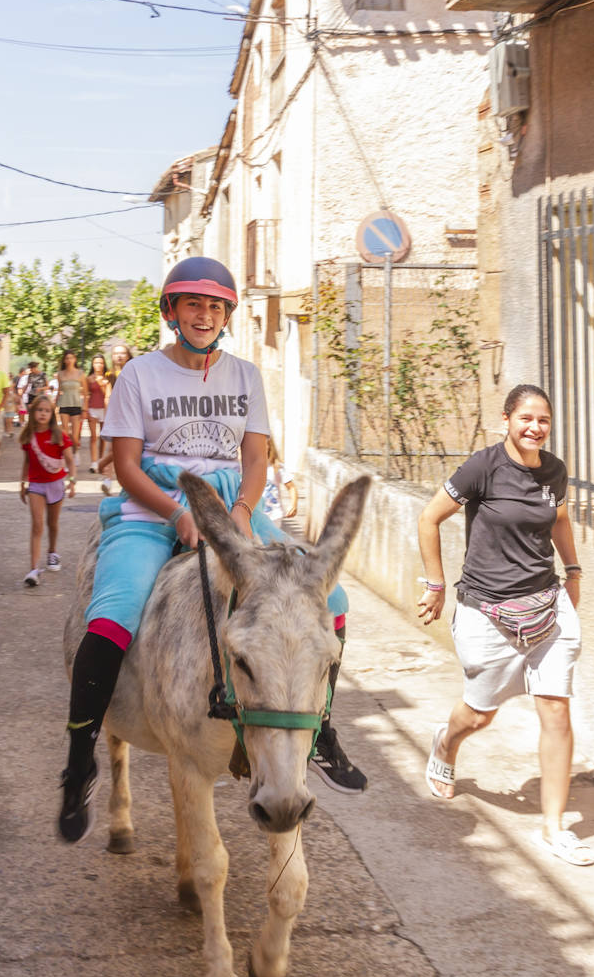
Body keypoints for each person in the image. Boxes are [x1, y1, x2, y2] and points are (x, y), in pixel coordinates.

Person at [58, 257, 365, 844]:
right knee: (110, 619)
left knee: (336, 600)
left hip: (231, 510)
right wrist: (178, 513)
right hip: (152, 508)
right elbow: (124, 466)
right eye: (193, 304)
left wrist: (240, 518)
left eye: (216, 306)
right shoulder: (139, 377)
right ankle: (79, 758)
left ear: (226, 316)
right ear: (171, 311)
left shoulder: (245, 375)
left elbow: (255, 460)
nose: (205, 314)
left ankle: (321, 726)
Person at [417, 383, 594, 867]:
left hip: (546, 604)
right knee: (479, 714)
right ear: (507, 420)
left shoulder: (554, 471)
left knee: (555, 709)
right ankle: (446, 742)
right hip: (486, 610)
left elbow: (558, 520)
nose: (535, 427)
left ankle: (554, 828)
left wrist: (573, 570)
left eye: (543, 420)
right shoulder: (484, 466)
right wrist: (434, 583)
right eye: (526, 419)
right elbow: (429, 518)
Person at [20, 394, 77, 584]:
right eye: (39, 410)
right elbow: (27, 460)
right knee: (37, 525)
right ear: (33, 412)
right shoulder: (28, 436)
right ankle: (33, 569)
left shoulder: (59, 435)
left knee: (52, 524)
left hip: (56, 484)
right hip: (36, 485)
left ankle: (52, 552)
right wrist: (22, 483)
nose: (42, 414)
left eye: (46, 411)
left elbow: (69, 459)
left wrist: (72, 480)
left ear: (52, 414)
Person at [98, 343, 134, 494]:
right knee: (113, 447)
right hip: (116, 414)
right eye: (115, 353)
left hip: (131, 413)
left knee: (129, 448)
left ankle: (126, 481)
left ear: (128, 355)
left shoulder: (134, 371)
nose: (119, 356)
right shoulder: (109, 375)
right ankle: (107, 479)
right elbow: (107, 396)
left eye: (122, 353)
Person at [56, 349, 89, 456]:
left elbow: (85, 393)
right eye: (67, 358)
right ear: (64, 360)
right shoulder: (60, 374)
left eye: (71, 358)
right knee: (65, 433)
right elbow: (58, 391)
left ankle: (76, 451)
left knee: (75, 436)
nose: (69, 360)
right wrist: (55, 407)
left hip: (76, 405)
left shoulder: (80, 373)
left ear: (75, 359)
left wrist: (85, 409)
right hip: (64, 404)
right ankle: (67, 456)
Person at [262, 435, 298, 524]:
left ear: (269, 446)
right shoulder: (248, 466)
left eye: (264, 445)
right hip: (256, 515)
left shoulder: (276, 466)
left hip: (274, 515)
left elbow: (291, 487)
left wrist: (293, 505)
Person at [85, 353, 111, 473]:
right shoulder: (89, 378)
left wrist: (108, 412)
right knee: (93, 437)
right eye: (96, 362)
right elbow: (86, 395)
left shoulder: (107, 378)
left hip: (104, 410)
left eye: (100, 362)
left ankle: (101, 461)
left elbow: (108, 396)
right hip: (92, 409)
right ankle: (93, 463)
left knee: (103, 438)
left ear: (104, 364)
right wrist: (85, 410)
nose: (98, 365)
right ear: (92, 364)